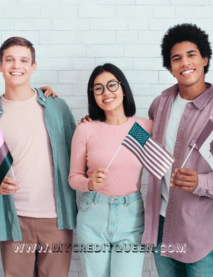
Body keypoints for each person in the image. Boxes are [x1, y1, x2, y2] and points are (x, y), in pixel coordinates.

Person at [141, 23, 213, 277]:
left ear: (204, 59)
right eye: (176, 58)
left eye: (191, 55)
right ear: (170, 67)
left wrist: (200, 181)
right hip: (162, 226)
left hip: (203, 233)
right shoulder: (160, 104)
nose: (184, 63)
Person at [0, 37, 77, 277]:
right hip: (14, 220)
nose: (16, 65)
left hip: (56, 218)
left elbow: (78, 151)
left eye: (23, 60)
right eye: (9, 59)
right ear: (0, 65)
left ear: (33, 67)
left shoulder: (56, 106)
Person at [69, 63, 152, 276]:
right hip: (93, 214)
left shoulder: (142, 128)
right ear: (93, 96)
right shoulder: (86, 129)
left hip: (131, 216)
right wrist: (89, 183)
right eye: (98, 88)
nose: (106, 92)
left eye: (112, 85)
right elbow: (73, 177)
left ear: (123, 89)